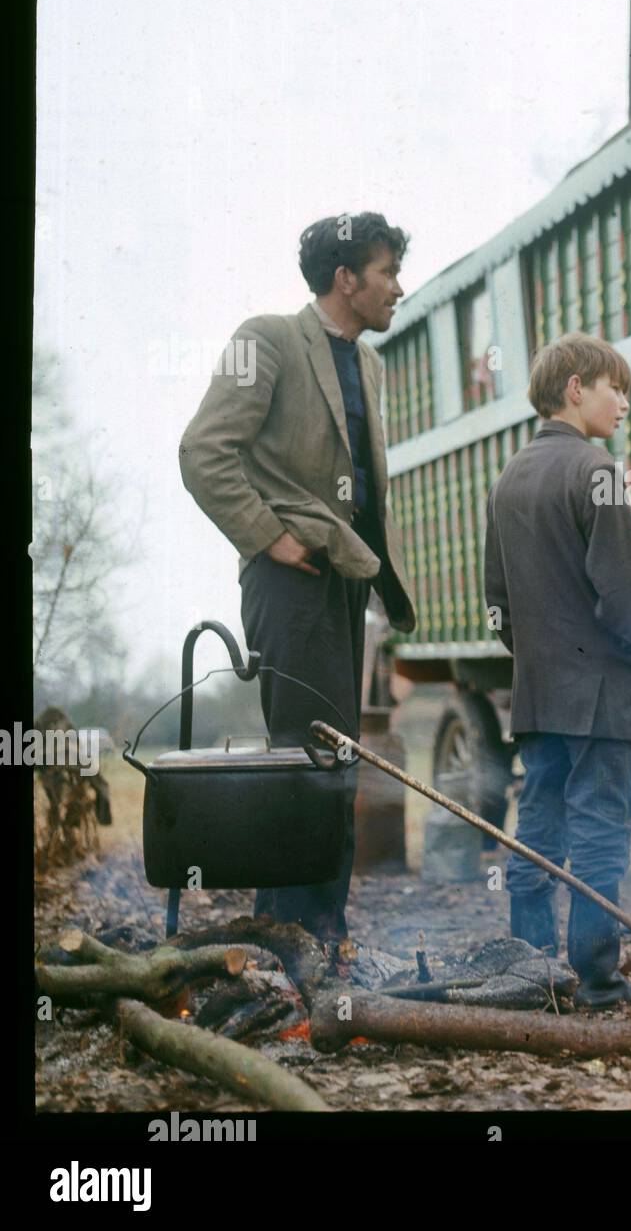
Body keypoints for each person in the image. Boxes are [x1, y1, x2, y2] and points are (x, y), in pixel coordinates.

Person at [179, 213, 416, 941]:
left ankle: (320, 935)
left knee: (332, 759)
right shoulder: (266, 339)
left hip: (344, 580)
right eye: (386, 274)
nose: (398, 290)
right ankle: (294, 939)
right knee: (308, 759)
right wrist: (271, 539)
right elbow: (203, 451)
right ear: (346, 280)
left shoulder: (369, 362)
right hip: (290, 580)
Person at [484, 332, 631, 1008]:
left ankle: (528, 971)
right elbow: (624, 605)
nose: (623, 401)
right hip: (600, 700)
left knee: (537, 831)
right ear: (574, 389)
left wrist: (546, 661)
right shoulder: (595, 469)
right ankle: (597, 981)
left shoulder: (509, 477)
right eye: (613, 387)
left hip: (539, 697)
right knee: (598, 835)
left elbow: (500, 608)